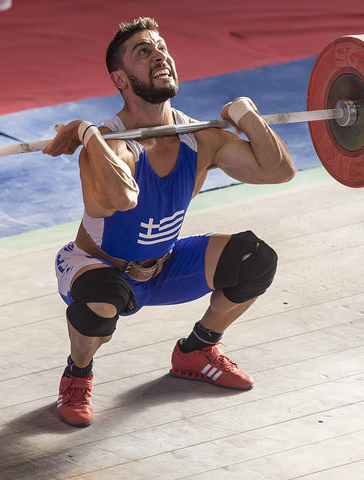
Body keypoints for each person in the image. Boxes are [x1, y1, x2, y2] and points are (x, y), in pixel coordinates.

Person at [43, 17, 295, 428]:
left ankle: (197, 350)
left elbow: (278, 171)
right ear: (120, 79)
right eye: (144, 51)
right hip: (98, 269)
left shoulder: (201, 137)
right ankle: (77, 373)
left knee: (255, 258)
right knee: (102, 302)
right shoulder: (113, 143)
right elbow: (124, 197)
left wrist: (246, 114)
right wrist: (90, 133)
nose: (160, 54)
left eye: (162, 47)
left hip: (164, 266)